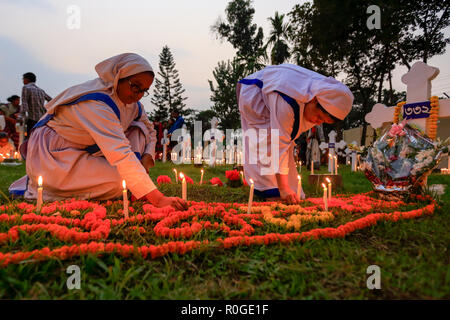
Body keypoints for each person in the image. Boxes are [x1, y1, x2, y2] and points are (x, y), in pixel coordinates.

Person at [10, 53, 187, 210]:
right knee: (121, 184)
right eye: (135, 86)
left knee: (138, 129)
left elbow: (149, 130)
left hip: (86, 152)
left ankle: (129, 181)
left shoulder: (131, 104)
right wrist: (158, 199)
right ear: (119, 76)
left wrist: (147, 155)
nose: (138, 95)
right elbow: (120, 153)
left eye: (144, 91)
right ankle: (51, 185)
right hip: (54, 155)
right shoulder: (97, 103)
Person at [237, 64, 353, 204]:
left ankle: (286, 188)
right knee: (265, 141)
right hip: (254, 95)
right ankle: (271, 190)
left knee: (284, 144)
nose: (317, 123)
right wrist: (283, 188)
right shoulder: (288, 99)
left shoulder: (315, 99)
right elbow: (278, 143)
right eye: (319, 117)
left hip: (276, 95)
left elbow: (286, 142)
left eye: (322, 121)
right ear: (315, 100)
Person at [20, 72, 53, 137]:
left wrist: (22, 117)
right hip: (42, 120)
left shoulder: (26, 88)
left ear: (27, 79)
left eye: (23, 79)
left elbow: (24, 104)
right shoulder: (41, 90)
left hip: (32, 119)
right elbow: (52, 100)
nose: (23, 81)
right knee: (39, 138)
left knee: (30, 138)